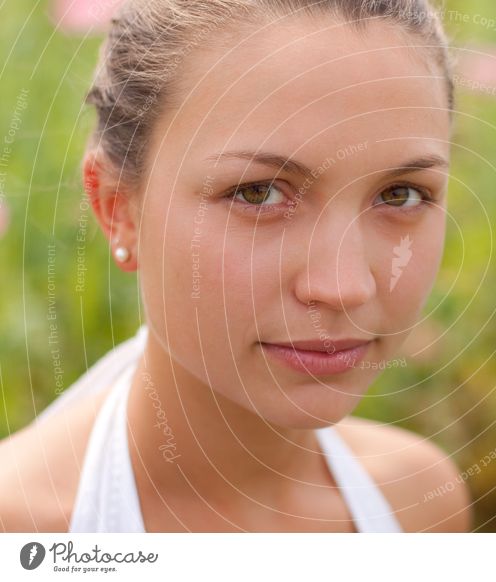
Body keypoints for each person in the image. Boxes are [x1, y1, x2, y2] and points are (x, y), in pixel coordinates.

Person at [0, 0, 471, 532]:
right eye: (258, 192)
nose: (345, 287)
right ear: (119, 209)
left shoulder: (420, 502)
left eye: (401, 194)